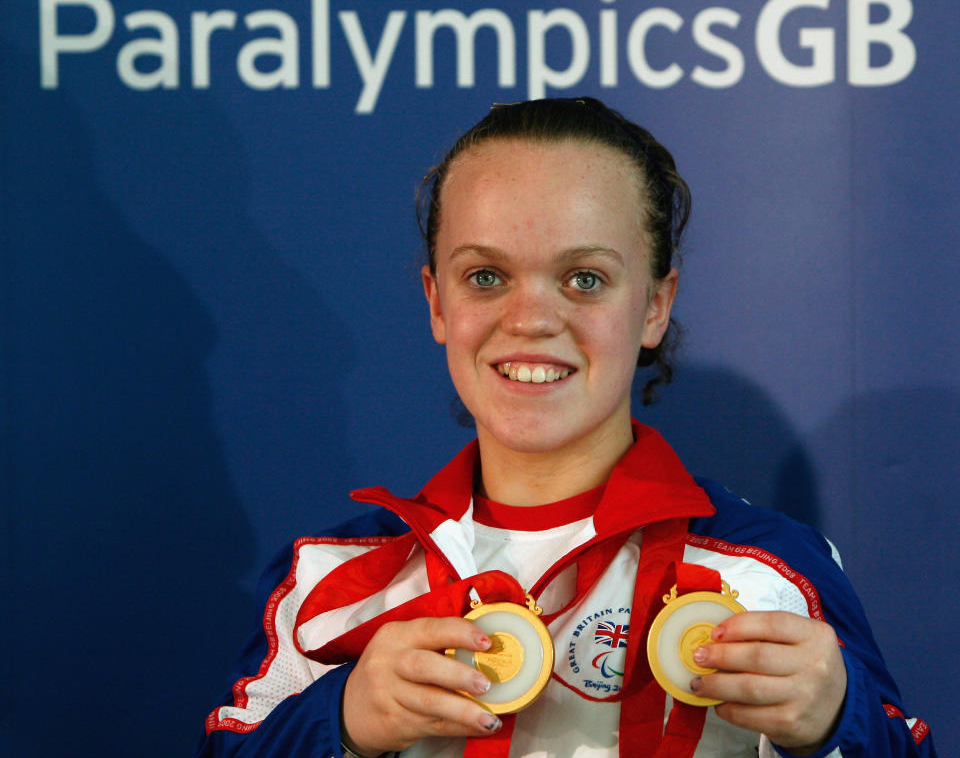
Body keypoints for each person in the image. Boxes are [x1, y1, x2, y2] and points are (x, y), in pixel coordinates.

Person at [196, 98, 934, 758]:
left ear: (654, 304)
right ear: (436, 303)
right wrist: (345, 722)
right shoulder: (332, 580)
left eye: (584, 278)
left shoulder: (770, 573)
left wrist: (838, 720)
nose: (531, 319)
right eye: (486, 276)